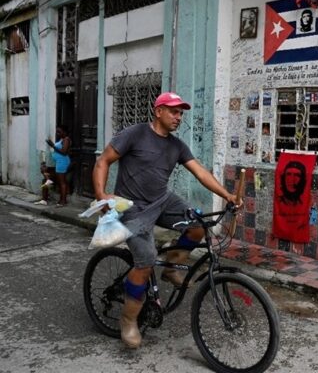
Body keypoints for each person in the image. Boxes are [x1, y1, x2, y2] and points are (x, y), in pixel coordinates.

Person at [92, 91, 239, 349]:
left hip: (162, 201)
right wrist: (102, 196)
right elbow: (103, 161)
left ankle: (172, 267)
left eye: (181, 113)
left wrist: (227, 195)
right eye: (173, 111)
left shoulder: (176, 146)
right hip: (132, 208)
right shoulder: (135, 134)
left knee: (198, 225)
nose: (178, 117)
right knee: (146, 259)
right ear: (158, 111)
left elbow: (200, 172)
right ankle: (128, 319)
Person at [45, 125, 71, 207]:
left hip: (62, 162)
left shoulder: (66, 139)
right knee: (61, 182)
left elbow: (64, 152)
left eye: (59, 132)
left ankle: (63, 201)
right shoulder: (62, 139)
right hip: (59, 162)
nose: (58, 133)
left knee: (62, 182)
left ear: (65, 132)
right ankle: (62, 200)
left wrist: (53, 145)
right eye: (57, 132)